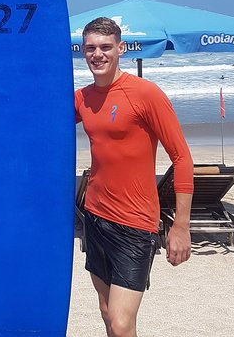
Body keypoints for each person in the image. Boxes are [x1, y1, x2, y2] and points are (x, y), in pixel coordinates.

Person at [76, 17, 193, 337]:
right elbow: (33, 118)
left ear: (121, 49)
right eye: (90, 48)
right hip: (95, 218)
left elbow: (182, 158)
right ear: (83, 52)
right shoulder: (82, 98)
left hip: (136, 224)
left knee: (120, 321)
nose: (97, 54)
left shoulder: (146, 94)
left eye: (105, 47)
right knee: (105, 312)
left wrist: (181, 225)